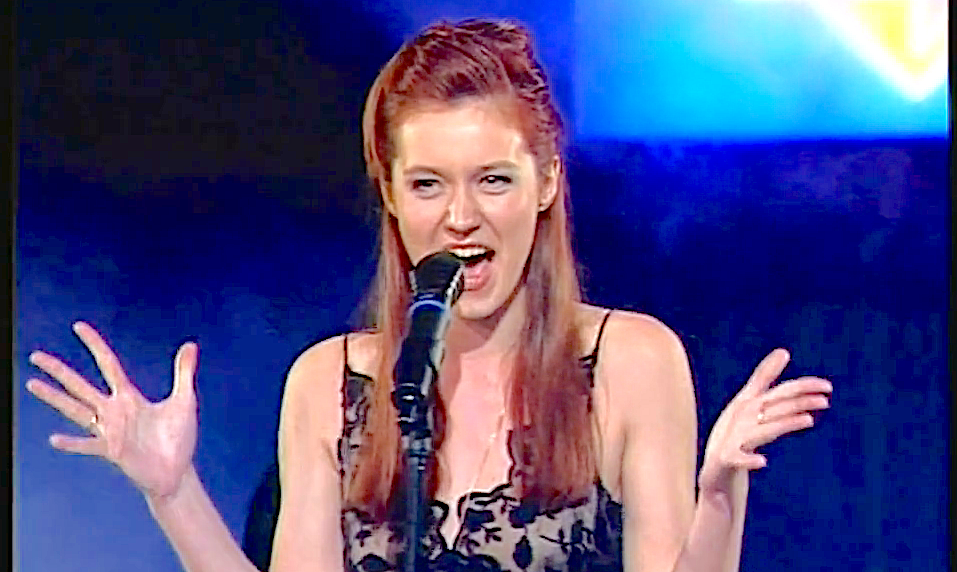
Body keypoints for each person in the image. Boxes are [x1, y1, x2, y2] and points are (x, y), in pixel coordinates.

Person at [25, 18, 832, 572]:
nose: (459, 217)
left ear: (546, 182)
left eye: (492, 181)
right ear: (389, 193)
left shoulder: (630, 359)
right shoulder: (328, 381)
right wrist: (173, 493)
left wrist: (719, 494)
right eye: (427, 184)